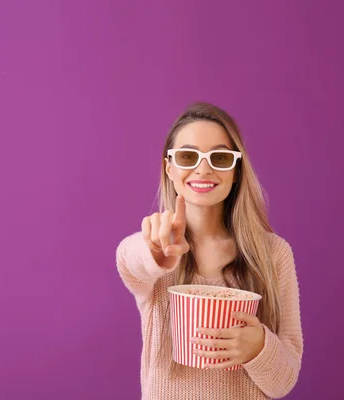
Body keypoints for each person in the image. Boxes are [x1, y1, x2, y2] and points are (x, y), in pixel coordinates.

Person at [115, 102, 304, 399]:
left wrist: (258, 347)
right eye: (188, 156)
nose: (203, 168)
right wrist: (156, 251)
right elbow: (129, 261)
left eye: (219, 157)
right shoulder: (154, 248)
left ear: (236, 170)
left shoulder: (274, 254)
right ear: (170, 168)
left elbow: (284, 381)